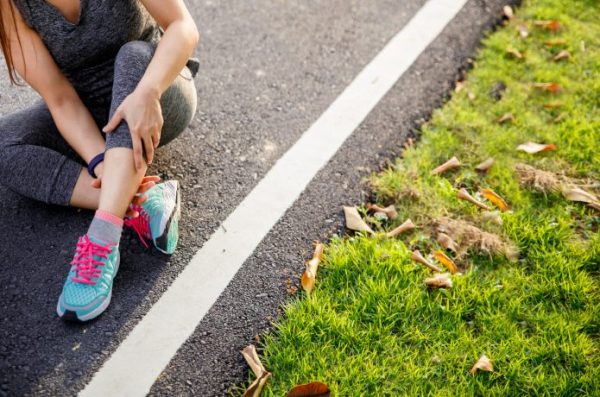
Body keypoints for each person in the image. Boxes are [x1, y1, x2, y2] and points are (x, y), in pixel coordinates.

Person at [0, 0, 199, 322]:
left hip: (155, 91)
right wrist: (100, 162)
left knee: (131, 54)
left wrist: (146, 93)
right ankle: (140, 202)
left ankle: (102, 239)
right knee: (5, 144)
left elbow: (182, 26)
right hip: (89, 113)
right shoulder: (10, 5)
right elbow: (60, 99)